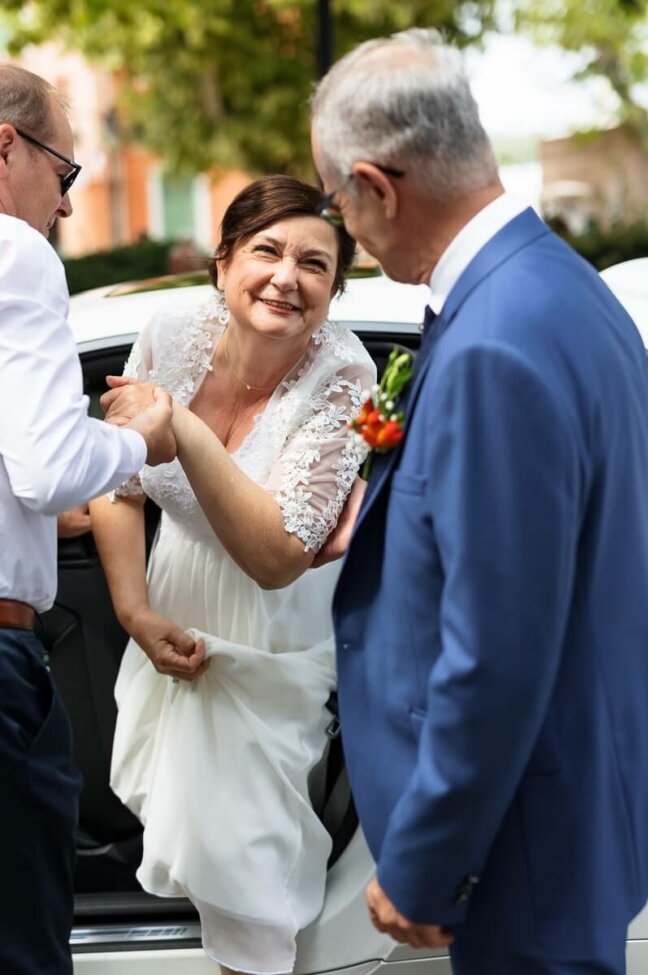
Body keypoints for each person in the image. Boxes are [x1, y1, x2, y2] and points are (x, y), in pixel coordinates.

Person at [310, 28, 648, 975]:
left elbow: (497, 641)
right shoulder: (569, 294)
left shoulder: (494, 339)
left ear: (377, 186)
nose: (349, 228)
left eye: (340, 202)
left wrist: (424, 863)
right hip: (579, 798)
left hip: (523, 837)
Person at [89, 175, 375, 975]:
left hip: (266, 637)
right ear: (222, 263)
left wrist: (176, 424)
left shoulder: (345, 379)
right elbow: (119, 483)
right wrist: (135, 612)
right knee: (208, 857)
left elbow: (279, 553)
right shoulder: (170, 330)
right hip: (174, 606)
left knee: (250, 882)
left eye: (316, 265)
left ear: (333, 290)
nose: (288, 276)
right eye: (267, 251)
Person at [0, 64, 175, 975]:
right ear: (5, 146)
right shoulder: (14, 252)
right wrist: (144, 441)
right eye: (65, 176)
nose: (66, 207)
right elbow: (49, 464)